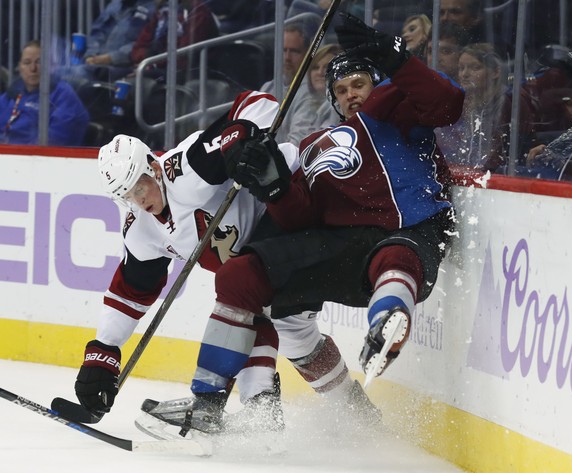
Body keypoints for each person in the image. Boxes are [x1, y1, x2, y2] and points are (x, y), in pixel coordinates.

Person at [142, 13, 464, 437]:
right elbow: (301, 217)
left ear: (376, 84)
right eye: (341, 90)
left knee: (394, 256)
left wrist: (394, 58)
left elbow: (449, 103)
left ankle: (388, 319)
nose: (351, 96)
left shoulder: (394, 108)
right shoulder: (314, 146)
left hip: (407, 228)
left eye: (359, 85)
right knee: (241, 275)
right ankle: (207, 401)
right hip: (344, 244)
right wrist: (271, 183)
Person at [73, 89, 377, 438]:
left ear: (154, 168)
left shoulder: (188, 167)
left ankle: (258, 411)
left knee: (246, 296)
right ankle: (358, 415)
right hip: (268, 251)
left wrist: (241, 142)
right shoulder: (138, 229)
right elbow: (131, 292)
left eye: (140, 187)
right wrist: (102, 355)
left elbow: (258, 102)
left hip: (299, 195)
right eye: (127, 196)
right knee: (293, 332)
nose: (139, 201)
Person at [436, 42, 534, 171]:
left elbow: (502, 152)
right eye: (461, 68)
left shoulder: (509, 101)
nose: (464, 74)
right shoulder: (467, 103)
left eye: (475, 67)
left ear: (495, 72)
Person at [0, 40, 89, 146]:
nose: (33, 68)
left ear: (50, 66)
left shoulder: (64, 96)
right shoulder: (13, 93)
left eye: (39, 62)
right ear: (19, 67)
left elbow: (53, 143)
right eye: (27, 63)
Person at [59, 0, 156, 83]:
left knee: (69, 77)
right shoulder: (115, 4)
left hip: (123, 67)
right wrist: (91, 55)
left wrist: (110, 58)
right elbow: (97, 32)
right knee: (58, 73)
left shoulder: (153, 10)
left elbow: (142, 46)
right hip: (94, 63)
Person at [259, 23, 315, 147]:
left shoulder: (311, 90)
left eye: (294, 51)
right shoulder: (268, 87)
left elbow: (297, 143)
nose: (287, 57)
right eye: (284, 50)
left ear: (307, 53)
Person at [130, 0, 219, 74]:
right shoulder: (163, 9)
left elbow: (184, 55)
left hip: (188, 72)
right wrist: (144, 59)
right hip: (158, 64)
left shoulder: (197, 11)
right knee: (120, 73)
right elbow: (141, 43)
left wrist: (152, 65)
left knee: (137, 81)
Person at [524, 92, 572, 182]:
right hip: (550, 170)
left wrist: (559, 162)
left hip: (564, 178)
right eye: (571, 118)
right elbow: (552, 148)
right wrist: (542, 150)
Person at [305, 43, 343, 131]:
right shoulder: (308, 104)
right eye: (315, 67)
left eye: (326, 67)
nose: (320, 72)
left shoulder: (338, 107)